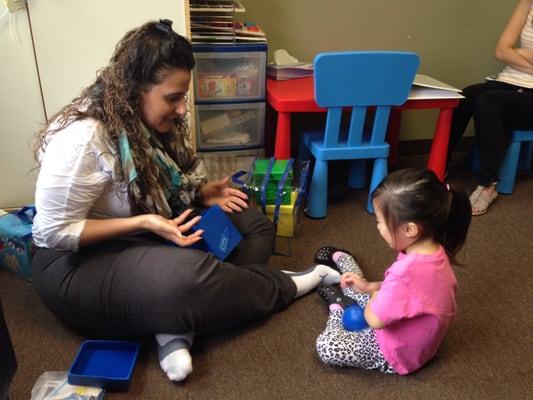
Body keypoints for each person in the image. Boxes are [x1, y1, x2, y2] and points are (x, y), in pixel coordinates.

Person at [31, 19, 341, 382]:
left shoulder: (151, 123)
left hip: (153, 232)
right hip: (76, 260)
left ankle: (173, 325)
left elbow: (174, 187)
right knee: (188, 278)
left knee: (254, 226)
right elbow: (53, 232)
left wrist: (202, 193)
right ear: (136, 89)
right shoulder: (85, 138)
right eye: (173, 98)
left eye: (183, 96)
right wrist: (144, 222)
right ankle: (288, 284)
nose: (181, 109)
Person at [314, 168, 471, 375]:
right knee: (355, 286)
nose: (378, 227)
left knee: (327, 346)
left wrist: (375, 296)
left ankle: (337, 309)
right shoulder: (434, 252)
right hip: (416, 337)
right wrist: (370, 287)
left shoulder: (404, 273)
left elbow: (375, 320)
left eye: (380, 221)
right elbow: (407, 293)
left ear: (410, 229)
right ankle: (344, 260)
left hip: (394, 352)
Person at [447, 0, 533, 215]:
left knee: (489, 101)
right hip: (508, 82)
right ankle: (440, 166)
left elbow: (509, 51)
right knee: (466, 95)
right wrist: (524, 54)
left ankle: (487, 185)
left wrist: (517, 52)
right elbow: (501, 51)